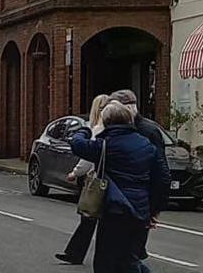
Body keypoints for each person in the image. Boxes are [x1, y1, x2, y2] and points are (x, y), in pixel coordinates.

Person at [70, 102, 170, 273]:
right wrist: (154, 210)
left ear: (107, 122)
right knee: (130, 259)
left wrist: (86, 130)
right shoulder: (147, 145)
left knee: (106, 262)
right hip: (140, 210)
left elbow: (77, 145)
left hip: (115, 210)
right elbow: (162, 179)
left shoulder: (105, 145)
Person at [111, 88, 169, 273]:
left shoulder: (147, 132)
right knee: (125, 257)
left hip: (139, 203)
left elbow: (161, 173)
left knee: (128, 259)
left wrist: (155, 209)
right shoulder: (123, 129)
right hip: (125, 204)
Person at [56, 93, 111, 265]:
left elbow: (88, 157)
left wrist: (75, 172)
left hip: (99, 179)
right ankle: (75, 253)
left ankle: (75, 253)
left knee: (88, 217)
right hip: (112, 179)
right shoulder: (114, 129)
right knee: (99, 221)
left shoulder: (96, 130)